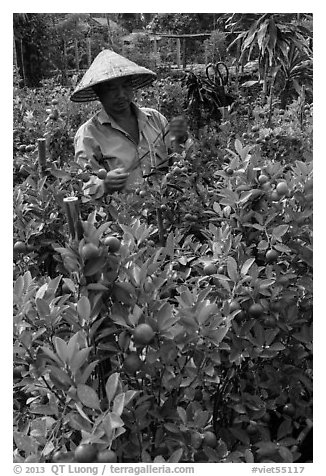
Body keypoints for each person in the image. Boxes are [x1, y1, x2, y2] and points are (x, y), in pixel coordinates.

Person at [70, 49, 170, 195]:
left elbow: (178, 157)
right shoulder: (89, 135)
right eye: (111, 89)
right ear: (99, 93)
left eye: (125, 86)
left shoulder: (155, 119)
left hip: (165, 209)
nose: (121, 94)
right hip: (123, 214)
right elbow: (81, 182)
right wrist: (104, 184)